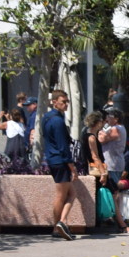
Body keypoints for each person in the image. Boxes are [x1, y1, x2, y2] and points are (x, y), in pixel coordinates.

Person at [42, 89, 77, 240]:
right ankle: (59, 224)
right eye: (63, 102)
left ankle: (59, 225)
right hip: (60, 160)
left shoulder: (47, 118)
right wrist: (72, 167)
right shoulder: (57, 121)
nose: (66, 105)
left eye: (67, 102)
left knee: (64, 194)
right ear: (54, 102)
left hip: (52, 158)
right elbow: (63, 146)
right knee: (66, 195)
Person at [97, 108, 129, 234]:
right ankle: (113, 217)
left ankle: (120, 221)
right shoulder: (116, 128)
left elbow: (102, 139)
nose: (107, 119)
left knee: (113, 192)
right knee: (113, 192)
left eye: (109, 117)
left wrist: (99, 132)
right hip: (113, 163)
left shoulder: (117, 128)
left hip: (113, 164)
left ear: (116, 118)